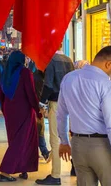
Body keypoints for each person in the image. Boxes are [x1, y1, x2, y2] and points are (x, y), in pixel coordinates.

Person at [57, 46, 111, 186]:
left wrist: (64, 141)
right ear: (108, 64)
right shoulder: (106, 85)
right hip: (102, 147)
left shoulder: (69, 78)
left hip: (78, 146)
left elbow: (61, 114)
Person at [0, 51, 40, 182]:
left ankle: (23, 168)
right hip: (24, 111)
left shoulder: (6, 72)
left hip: (9, 111)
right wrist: (37, 110)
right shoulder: (25, 73)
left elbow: (1, 93)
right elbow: (31, 93)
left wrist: (4, 110)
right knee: (22, 141)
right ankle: (5, 172)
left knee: (16, 140)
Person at [36, 50, 74, 185]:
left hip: (57, 103)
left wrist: (41, 102)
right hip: (70, 102)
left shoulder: (51, 60)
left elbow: (48, 84)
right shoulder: (68, 60)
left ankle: (55, 175)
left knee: (55, 138)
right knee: (70, 135)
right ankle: (74, 167)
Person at [33, 69, 51, 162]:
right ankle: (45, 152)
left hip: (35, 107)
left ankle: (36, 153)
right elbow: (40, 95)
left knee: (38, 130)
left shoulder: (35, 75)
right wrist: (42, 106)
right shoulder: (40, 80)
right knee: (40, 129)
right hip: (38, 107)